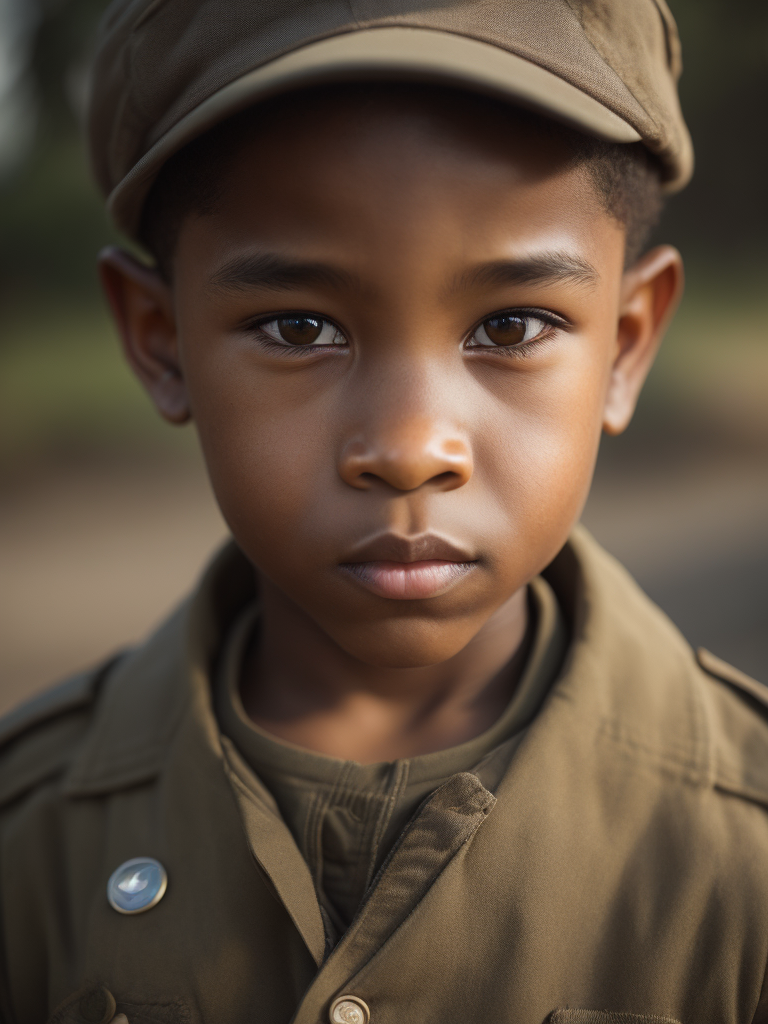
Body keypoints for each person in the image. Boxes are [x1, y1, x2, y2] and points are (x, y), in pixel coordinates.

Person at [2, 1, 767, 1022]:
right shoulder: (27, 840)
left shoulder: (747, 854)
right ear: (160, 339)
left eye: (513, 324)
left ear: (625, 345)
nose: (410, 447)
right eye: (298, 325)